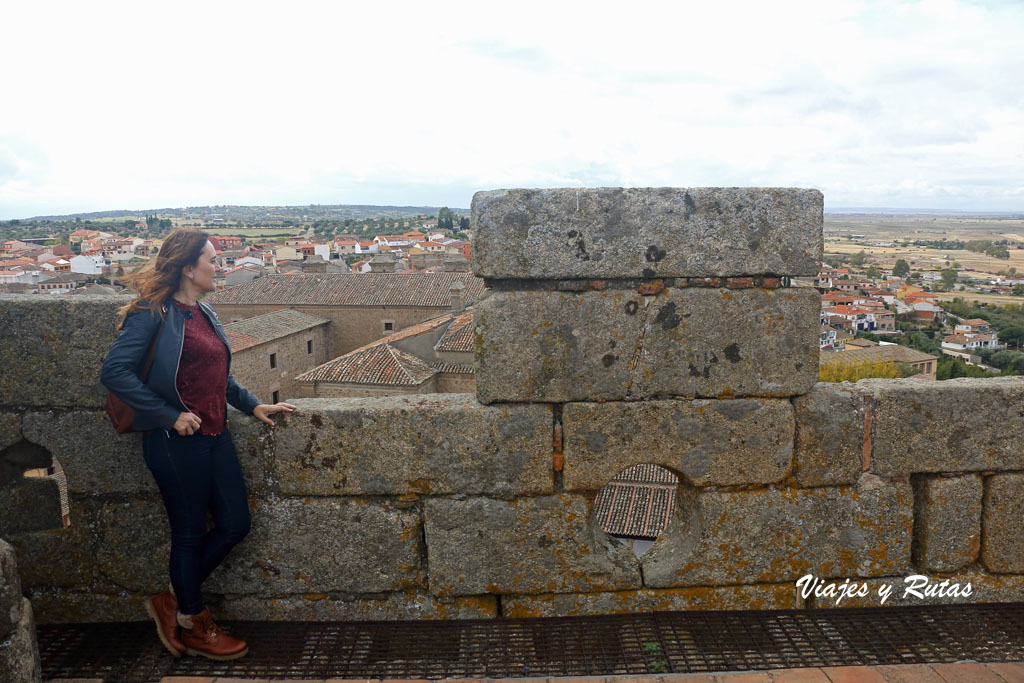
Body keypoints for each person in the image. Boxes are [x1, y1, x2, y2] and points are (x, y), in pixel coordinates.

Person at [100, 228, 295, 660]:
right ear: (188, 268)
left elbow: (218, 377)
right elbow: (115, 372)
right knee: (188, 535)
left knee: (235, 524)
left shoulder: (205, 313)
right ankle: (193, 621)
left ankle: (172, 598)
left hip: (216, 435)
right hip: (175, 441)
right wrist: (169, 414)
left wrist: (253, 405)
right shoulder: (152, 314)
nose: (218, 265)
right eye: (211, 259)